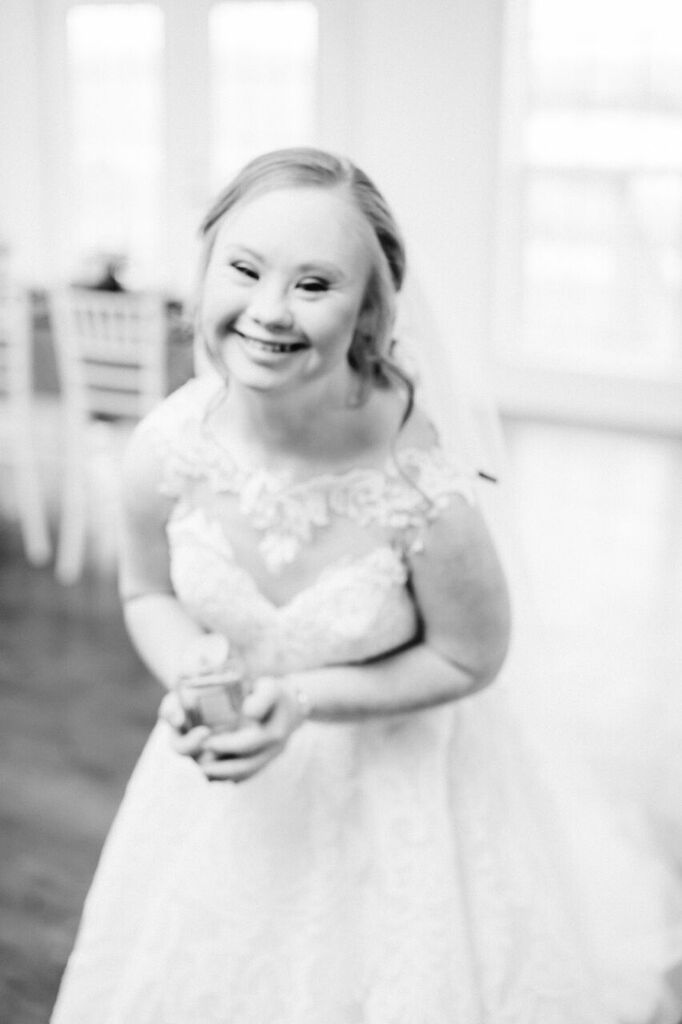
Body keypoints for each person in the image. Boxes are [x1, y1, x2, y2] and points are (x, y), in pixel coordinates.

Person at [50, 148, 682, 1024]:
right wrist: (190, 674)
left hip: (402, 798)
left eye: (315, 284)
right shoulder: (166, 449)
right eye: (245, 269)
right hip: (225, 790)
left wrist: (300, 698)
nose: (269, 310)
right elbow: (143, 593)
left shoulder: (417, 481)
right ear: (206, 272)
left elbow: (470, 659)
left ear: (370, 309)